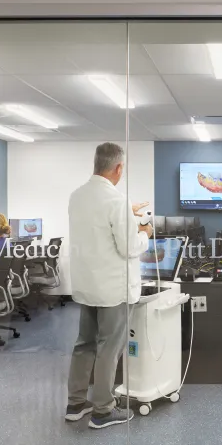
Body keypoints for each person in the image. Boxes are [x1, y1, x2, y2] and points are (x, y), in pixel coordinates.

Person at [64, 142, 153, 430]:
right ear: (118, 167)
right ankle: (103, 410)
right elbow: (129, 248)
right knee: (108, 349)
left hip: (87, 286)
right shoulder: (116, 201)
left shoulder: (78, 196)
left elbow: (98, 221)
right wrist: (145, 233)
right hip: (112, 289)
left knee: (84, 344)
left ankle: (76, 404)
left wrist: (128, 210)